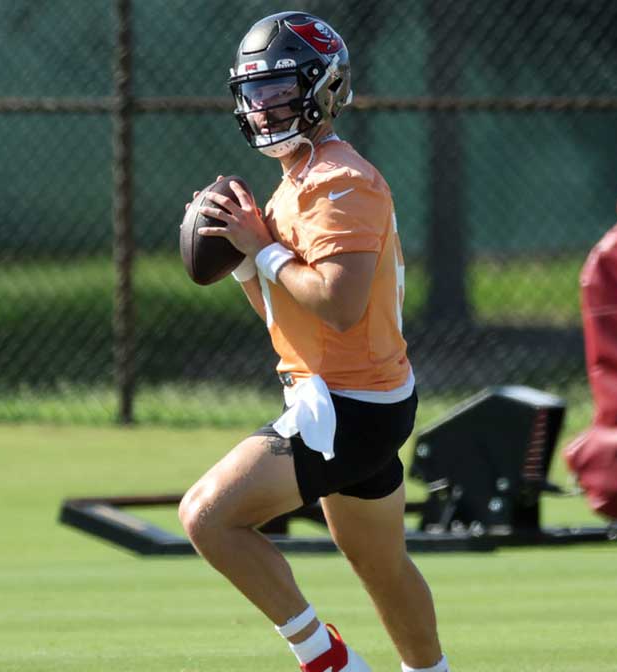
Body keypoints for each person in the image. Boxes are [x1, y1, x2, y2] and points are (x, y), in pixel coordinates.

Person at [178, 12, 451, 672]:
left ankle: (327, 660)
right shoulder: (297, 179)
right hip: (359, 398)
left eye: (279, 90)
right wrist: (246, 259)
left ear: (324, 89)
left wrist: (264, 247)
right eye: (255, 93)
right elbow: (286, 307)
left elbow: (337, 302)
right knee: (381, 564)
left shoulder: (339, 181)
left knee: (208, 517)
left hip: (345, 407)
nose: (264, 107)